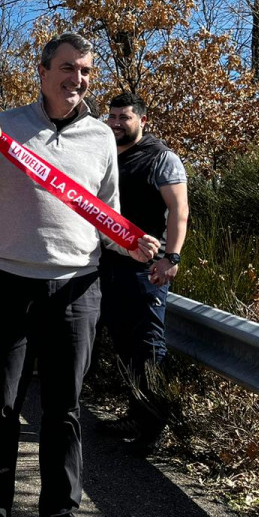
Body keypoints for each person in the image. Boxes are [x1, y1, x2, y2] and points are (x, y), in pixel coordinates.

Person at [0, 33, 159, 517]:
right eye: (66, 69)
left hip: (77, 290)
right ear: (42, 71)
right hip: (9, 284)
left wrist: (133, 241)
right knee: (2, 407)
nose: (77, 80)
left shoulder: (102, 138)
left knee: (62, 412)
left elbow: (105, 217)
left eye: (84, 71)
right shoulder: (5, 125)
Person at [98, 92, 189, 455]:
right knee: (123, 345)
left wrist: (172, 258)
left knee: (148, 347)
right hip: (110, 263)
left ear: (142, 120)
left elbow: (179, 210)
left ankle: (153, 427)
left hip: (147, 269)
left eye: (125, 117)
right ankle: (134, 414)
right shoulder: (107, 155)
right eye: (113, 116)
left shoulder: (160, 158)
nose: (117, 122)